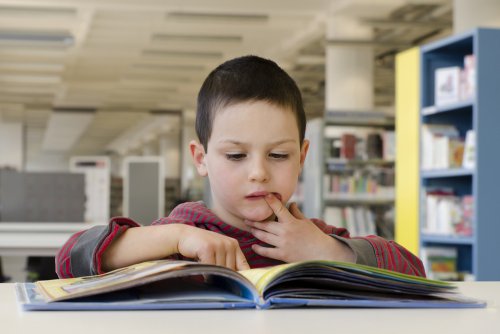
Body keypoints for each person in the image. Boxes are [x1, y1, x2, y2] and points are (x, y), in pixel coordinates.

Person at [56, 55, 425, 278]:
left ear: (303, 156)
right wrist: (177, 239)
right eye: (236, 156)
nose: (258, 173)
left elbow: (415, 273)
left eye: (278, 155)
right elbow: (70, 259)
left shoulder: (312, 236)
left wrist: (330, 251)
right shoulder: (183, 232)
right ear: (201, 159)